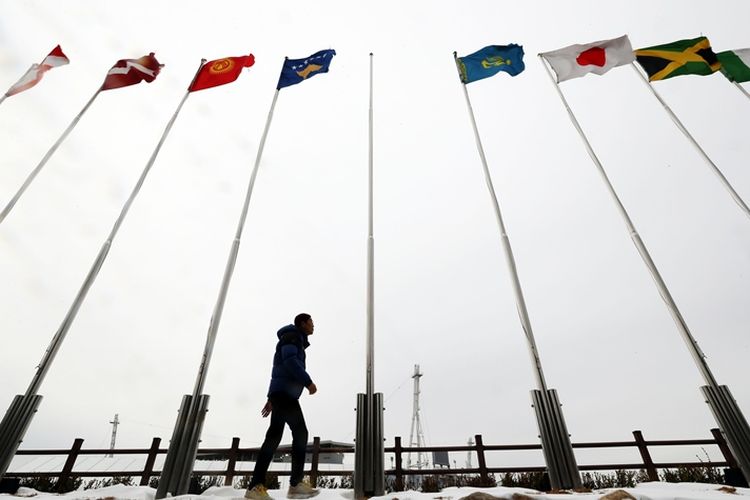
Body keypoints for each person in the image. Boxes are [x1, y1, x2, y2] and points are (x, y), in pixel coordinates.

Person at [245, 313, 320, 500]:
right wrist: (308, 382)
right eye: (311, 322)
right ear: (302, 323)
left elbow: (277, 369)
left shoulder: (295, 339)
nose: (313, 326)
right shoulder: (292, 336)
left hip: (281, 394)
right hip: (285, 395)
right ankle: (295, 485)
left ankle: (255, 486)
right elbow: (289, 362)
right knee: (300, 432)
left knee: (273, 437)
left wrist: (271, 397)